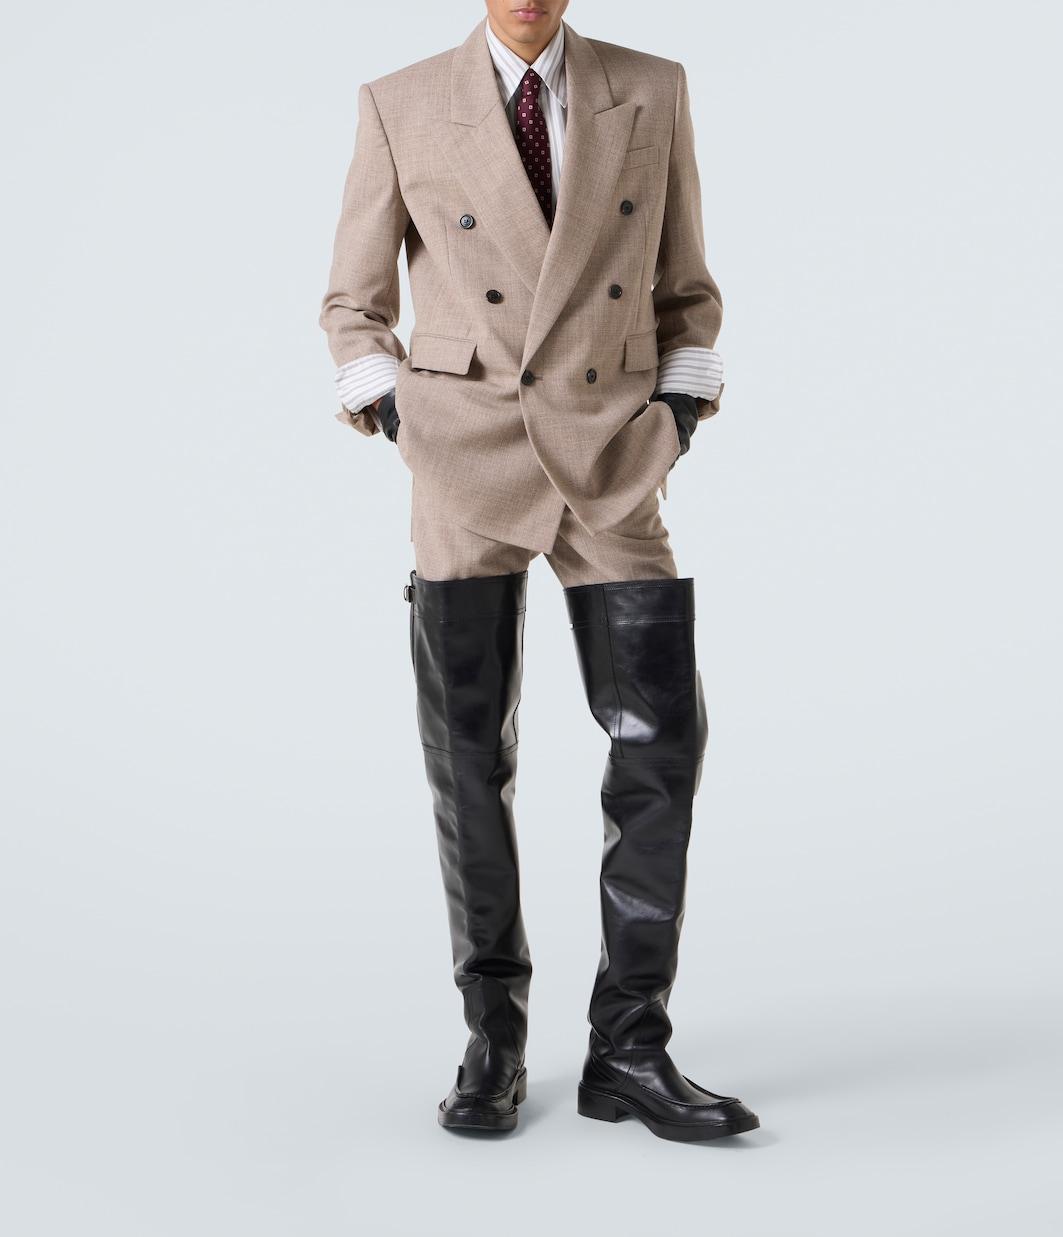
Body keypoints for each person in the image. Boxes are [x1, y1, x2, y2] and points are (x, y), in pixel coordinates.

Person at [318, 0, 759, 1143]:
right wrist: (398, 416)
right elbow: (353, 303)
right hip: (462, 452)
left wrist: (676, 414)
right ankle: (493, 1040)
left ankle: (629, 1048)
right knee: (467, 752)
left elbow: (684, 282)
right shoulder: (400, 102)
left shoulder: (649, 86)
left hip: (610, 450)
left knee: (661, 737)